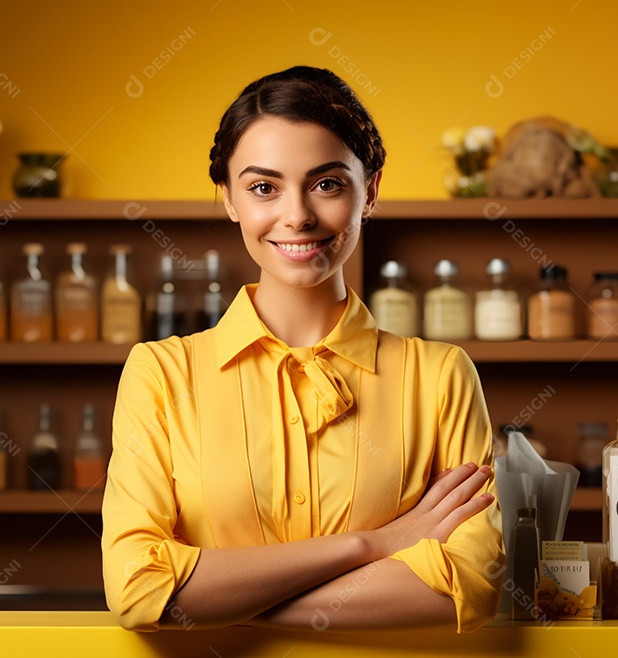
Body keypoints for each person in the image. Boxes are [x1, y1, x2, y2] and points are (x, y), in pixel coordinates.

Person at [101, 66, 503, 633]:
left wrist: (225, 602)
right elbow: (139, 590)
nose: (298, 216)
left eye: (327, 183)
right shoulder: (161, 373)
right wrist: (377, 543)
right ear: (230, 200)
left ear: (372, 191)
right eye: (264, 187)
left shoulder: (440, 375)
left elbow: (470, 585)